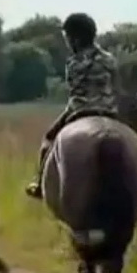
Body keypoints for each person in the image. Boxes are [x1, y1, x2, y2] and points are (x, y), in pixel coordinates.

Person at [25, 12, 119, 199]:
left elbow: (75, 94)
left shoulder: (73, 63)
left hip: (80, 112)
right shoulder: (109, 59)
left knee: (48, 139)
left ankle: (40, 184)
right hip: (108, 112)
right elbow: (116, 86)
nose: (67, 43)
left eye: (68, 38)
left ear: (76, 39)